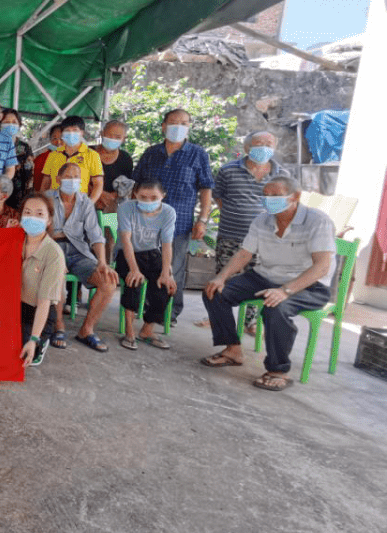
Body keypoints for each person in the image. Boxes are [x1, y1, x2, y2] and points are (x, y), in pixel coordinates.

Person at [200, 176, 335, 391]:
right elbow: (244, 254)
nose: (268, 199)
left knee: (276, 307)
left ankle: (278, 370)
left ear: (295, 197)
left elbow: (321, 267)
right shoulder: (261, 220)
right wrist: (221, 277)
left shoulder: (317, 221)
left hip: (309, 284)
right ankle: (232, 350)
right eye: (266, 195)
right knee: (214, 292)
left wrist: (285, 290)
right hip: (264, 276)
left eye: (275, 195)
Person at [195, 131, 289, 331]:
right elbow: (219, 198)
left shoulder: (282, 175)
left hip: (265, 241)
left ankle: (251, 322)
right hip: (231, 235)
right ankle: (216, 317)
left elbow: (285, 206)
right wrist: (239, 214)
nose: (264, 146)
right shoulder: (228, 170)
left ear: (274, 147)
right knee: (222, 277)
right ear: (247, 147)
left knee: (257, 280)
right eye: (259, 142)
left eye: (269, 143)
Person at [132, 108, 213, 321]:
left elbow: (206, 189)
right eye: (174, 122)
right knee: (147, 265)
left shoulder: (198, 154)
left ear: (189, 127)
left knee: (173, 268)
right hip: (147, 222)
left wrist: (202, 219)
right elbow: (136, 184)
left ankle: (170, 311)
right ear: (163, 126)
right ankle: (146, 308)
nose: (178, 127)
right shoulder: (151, 153)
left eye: (184, 123)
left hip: (180, 222)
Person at [47, 163, 119, 353]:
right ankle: (59, 326)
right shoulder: (46, 198)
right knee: (56, 279)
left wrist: (102, 263)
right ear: (58, 179)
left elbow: (96, 236)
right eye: (68, 176)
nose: (73, 180)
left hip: (79, 251)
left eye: (76, 176)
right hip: (53, 249)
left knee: (108, 281)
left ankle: (86, 330)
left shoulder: (85, 202)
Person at [115, 180, 178, 350]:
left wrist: (166, 272)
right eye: (143, 197)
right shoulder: (126, 208)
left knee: (165, 286)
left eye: (154, 197)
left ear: (162, 196)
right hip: (128, 254)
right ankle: (129, 331)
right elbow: (126, 241)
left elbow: (166, 244)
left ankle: (147, 330)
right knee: (133, 281)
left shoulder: (168, 212)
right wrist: (134, 269)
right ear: (135, 194)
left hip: (152, 253)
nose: (148, 201)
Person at [19, 191, 67, 368]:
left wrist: (33, 339)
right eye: (27, 212)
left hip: (38, 310)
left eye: (39, 214)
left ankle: (41, 340)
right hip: (14, 307)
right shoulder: (14, 240)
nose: (32, 218)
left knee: (22, 354)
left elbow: (44, 302)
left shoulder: (53, 253)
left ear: (49, 220)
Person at [40, 115, 102, 204]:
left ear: (82, 133)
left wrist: (89, 204)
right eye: (67, 131)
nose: (71, 134)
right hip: (54, 204)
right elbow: (45, 183)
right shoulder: (53, 155)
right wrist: (44, 203)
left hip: (79, 204)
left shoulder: (93, 155)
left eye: (75, 131)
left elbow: (98, 184)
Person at [92, 119, 135, 214]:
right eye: (109, 135)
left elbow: (126, 184)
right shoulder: (87, 152)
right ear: (102, 134)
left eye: (117, 137)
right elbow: (78, 178)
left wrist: (111, 198)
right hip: (87, 204)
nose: (112, 139)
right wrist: (99, 194)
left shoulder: (125, 158)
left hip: (111, 207)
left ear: (124, 139)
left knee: (108, 228)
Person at [0, 108, 33, 209]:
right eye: (6, 122)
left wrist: (27, 197)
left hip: (18, 197)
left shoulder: (24, 147)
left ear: (19, 125)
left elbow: (30, 175)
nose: (10, 125)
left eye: (14, 122)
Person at [33, 124, 62, 191]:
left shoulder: (73, 158)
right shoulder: (40, 159)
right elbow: (37, 184)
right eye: (55, 138)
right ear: (50, 140)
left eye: (62, 138)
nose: (58, 142)